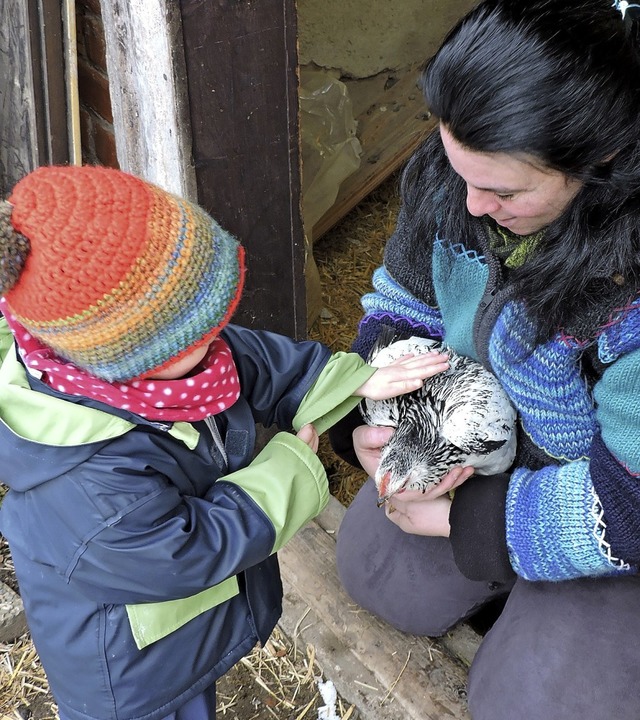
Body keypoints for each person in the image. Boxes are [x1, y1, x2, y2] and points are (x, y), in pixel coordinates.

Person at [0, 164, 450, 720]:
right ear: (135, 362)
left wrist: (346, 379)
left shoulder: (169, 367)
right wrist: (285, 473)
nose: (221, 338)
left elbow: (247, 358)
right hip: (129, 666)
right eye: (200, 335)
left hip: (186, 626)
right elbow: (183, 555)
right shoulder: (82, 479)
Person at [329, 1, 640, 718]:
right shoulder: (454, 179)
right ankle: (523, 588)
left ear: (603, 158)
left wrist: (476, 522)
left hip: (615, 488)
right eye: (457, 166)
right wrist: (378, 414)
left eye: (502, 190)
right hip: (506, 441)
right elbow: (402, 303)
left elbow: (630, 503)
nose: (469, 203)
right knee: (376, 575)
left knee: (526, 705)